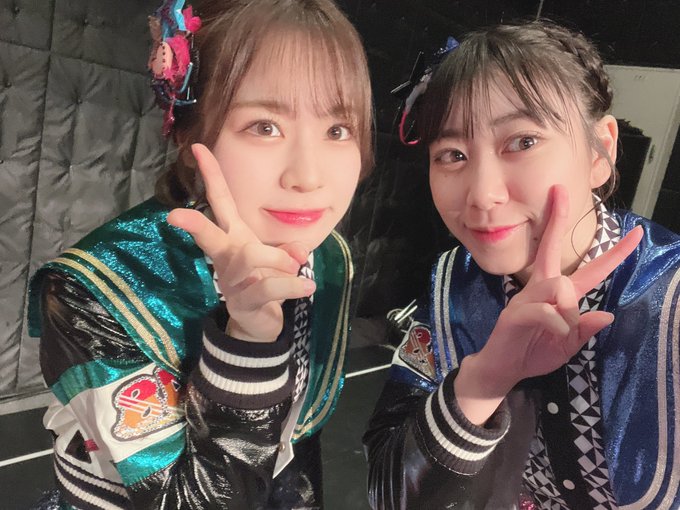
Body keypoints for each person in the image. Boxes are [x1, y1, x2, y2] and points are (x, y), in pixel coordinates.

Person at [27, 0, 373, 508]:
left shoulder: (325, 257)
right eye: (265, 126)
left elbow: (295, 443)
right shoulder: (97, 288)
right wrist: (248, 343)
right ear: (191, 135)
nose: (308, 176)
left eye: (337, 130)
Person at [364, 20, 680, 509]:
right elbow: (390, 495)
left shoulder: (670, 298)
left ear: (601, 151)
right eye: (452, 154)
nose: (482, 194)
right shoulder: (452, 286)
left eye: (522, 142)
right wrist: (484, 380)